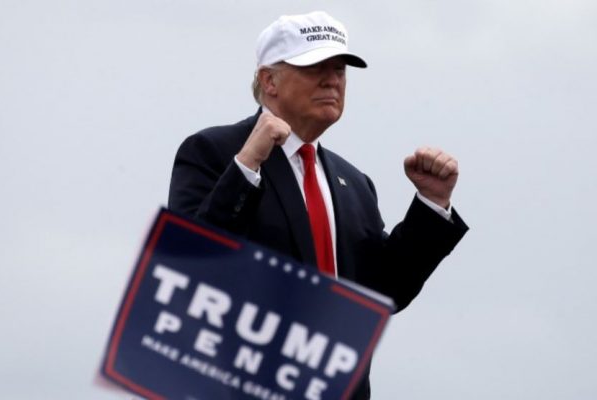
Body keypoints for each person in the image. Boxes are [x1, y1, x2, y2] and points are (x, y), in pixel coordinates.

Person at [169, 11, 468, 400]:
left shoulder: (354, 184)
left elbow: (382, 293)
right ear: (269, 80)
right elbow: (190, 266)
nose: (332, 80)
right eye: (315, 67)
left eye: (340, 69)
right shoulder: (214, 151)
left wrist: (432, 203)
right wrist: (248, 162)